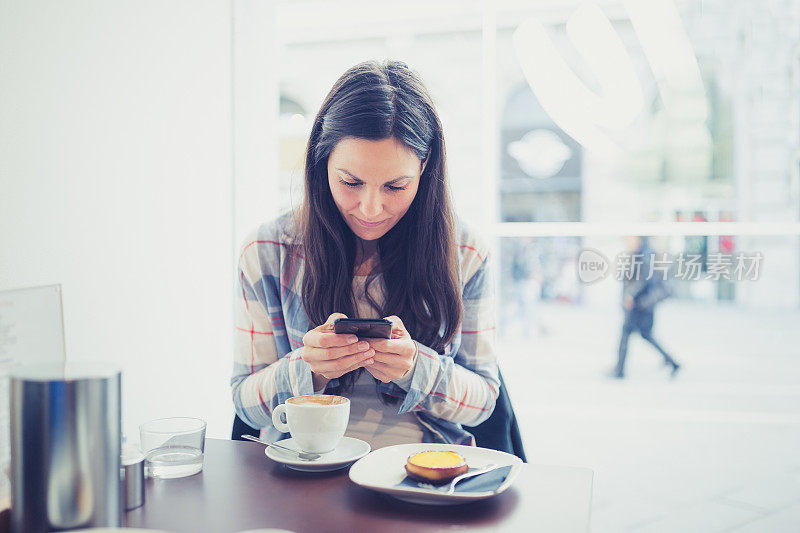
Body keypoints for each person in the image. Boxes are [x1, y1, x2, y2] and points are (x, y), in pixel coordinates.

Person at [231, 60, 500, 449]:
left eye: (395, 186)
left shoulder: (466, 252)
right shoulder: (268, 251)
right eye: (350, 182)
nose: (370, 209)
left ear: (425, 172)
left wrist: (415, 369)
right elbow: (245, 404)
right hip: (301, 465)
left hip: (424, 468)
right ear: (321, 165)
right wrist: (308, 368)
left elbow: (484, 402)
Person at [612, 236, 680, 379]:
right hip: (640, 304)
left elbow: (644, 279)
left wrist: (630, 295)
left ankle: (619, 370)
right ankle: (672, 361)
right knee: (645, 335)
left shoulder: (646, 254)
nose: (627, 242)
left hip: (640, 304)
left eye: (629, 239)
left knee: (628, 334)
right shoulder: (640, 252)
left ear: (638, 239)